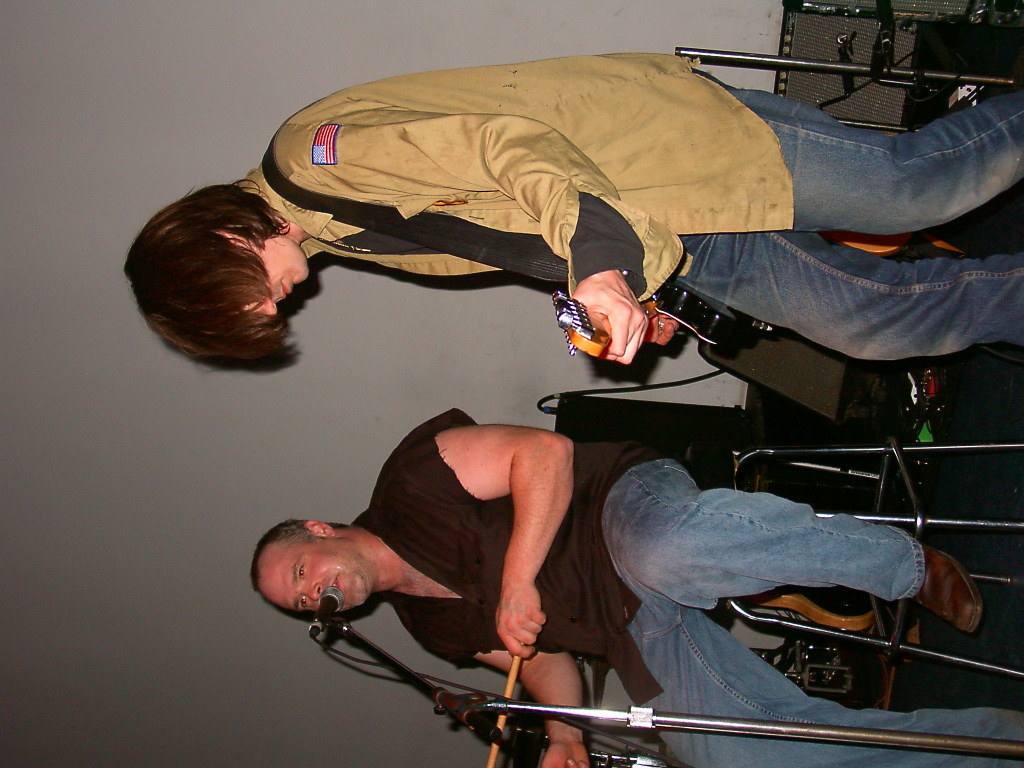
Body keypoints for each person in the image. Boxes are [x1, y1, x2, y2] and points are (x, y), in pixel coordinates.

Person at [250, 409, 1022, 768]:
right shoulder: (428, 630)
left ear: (318, 530)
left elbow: (545, 455)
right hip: (627, 631)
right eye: (301, 603)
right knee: (726, 753)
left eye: (300, 573)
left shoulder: (411, 481)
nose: (314, 594)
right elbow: (540, 663)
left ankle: (906, 568)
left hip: (617, 509)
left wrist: (517, 580)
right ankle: (993, 749)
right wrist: (564, 736)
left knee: (664, 549)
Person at [126, 54, 1024, 362]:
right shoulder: (333, 236)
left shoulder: (310, 161)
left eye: (251, 302)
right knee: (872, 324)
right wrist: (627, 290)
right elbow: (504, 232)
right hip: (660, 236)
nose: (274, 309)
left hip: (665, 154)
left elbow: (506, 148)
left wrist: (596, 264)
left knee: (921, 186)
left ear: (227, 238)